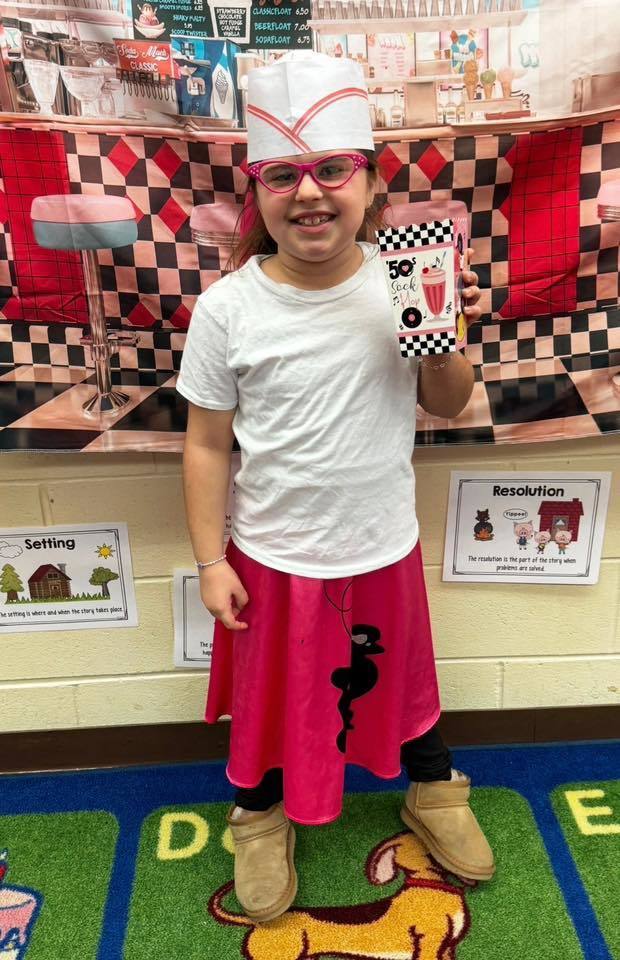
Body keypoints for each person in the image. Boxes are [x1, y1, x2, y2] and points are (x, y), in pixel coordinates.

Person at [177, 51, 495, 924]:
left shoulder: (402, 283)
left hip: (381, 540)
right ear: (258, 191)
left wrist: (440, 326)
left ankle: (432, 789)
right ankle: (260, 813)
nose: (309, 194)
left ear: (367, 182)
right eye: (284, 176)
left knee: (402, 681)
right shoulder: (229, 308)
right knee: (280, 693)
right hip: (276, 552)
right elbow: (206, 446)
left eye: (330, 171)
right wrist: (210, 560)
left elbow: (446, 401)